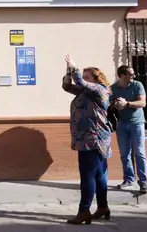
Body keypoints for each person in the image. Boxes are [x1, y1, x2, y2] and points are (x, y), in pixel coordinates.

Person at [62, 55, 113, 225]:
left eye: (87, 77)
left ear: (96, 79)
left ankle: (84, 210)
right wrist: (69, 70)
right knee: (98, 175)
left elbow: (81, 83)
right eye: (83, 78)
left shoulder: (100, 90)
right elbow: (67, 85)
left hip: (93, 139)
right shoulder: (86, 92)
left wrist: (75, 68)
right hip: (88, 138)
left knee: (88, 176)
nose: (83, 81)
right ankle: (103, 207)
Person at [111, 65, 147, 194]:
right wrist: (116, 105)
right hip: (121, 124)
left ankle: (143, 181)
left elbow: (142, 103)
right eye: (130, 74)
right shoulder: (113, 88)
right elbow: (110, 105)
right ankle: (128, 179)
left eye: (133, 74)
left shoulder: (137, 85)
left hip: (137, 123)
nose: (133, 77)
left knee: (139, 151)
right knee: (124, 153)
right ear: (122, 76)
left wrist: (126, 104)